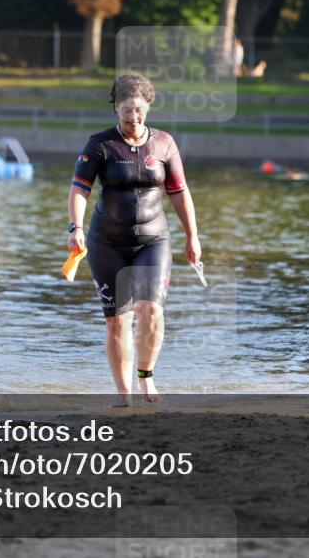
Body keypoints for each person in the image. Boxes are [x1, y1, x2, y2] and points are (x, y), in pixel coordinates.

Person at [67, 73, 201, 406]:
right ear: (116, 108)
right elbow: (79, 190)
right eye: (127, 112)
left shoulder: (165, 144)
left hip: (153, 241)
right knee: (117, 321)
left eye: (139, 111)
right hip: (106, 243)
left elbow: (180, 192)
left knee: (151, 310)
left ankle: (145, 379)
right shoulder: (100, 144)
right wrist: (76, 227)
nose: (133, 119)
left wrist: (192, 236)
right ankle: (123, 394)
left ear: (148, 106)